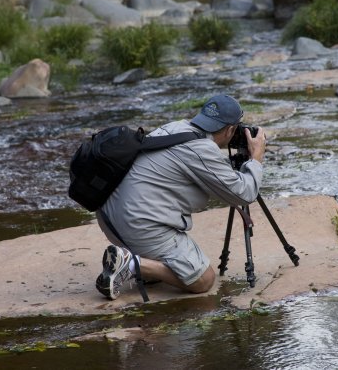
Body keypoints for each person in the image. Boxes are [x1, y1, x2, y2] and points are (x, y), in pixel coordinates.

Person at [95, 94, 266, 300]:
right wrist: (256, 158)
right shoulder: (203, 149)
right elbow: (244, 194)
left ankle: (138, 259)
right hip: (138, 225)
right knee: (204, 279)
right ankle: (130, 263)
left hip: (108, 216)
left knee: (170, 269)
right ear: (231, 129)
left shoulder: (177, 127)